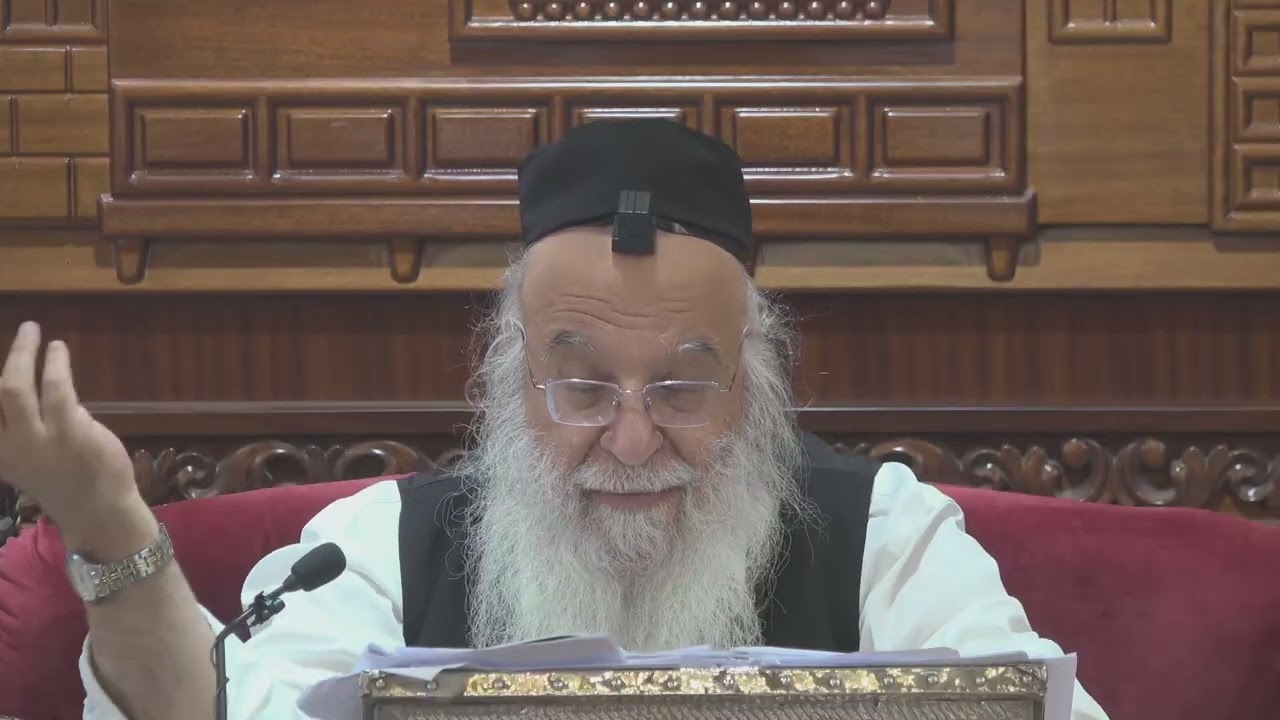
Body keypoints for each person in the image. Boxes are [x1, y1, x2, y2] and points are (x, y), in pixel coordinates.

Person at [0, 119, 1108, 720]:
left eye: (681, 388)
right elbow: (218, 713)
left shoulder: (883, 536)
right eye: (580, 387)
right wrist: (108, 529)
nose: (629, 443)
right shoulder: (379, 546)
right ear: (509, 379)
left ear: (755, 387)